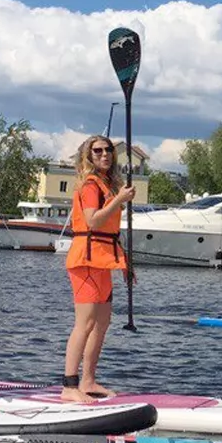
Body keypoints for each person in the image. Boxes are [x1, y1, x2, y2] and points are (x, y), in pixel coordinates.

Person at [62, 135, 136, 403]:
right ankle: (69, 386)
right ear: (88, 156)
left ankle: (88, 380)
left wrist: (125, 263)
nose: (105, 155)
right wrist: (118, 200)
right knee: (86, 322)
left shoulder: (108, 184)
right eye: (98, 151)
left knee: (102, 322)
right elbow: (92, 221)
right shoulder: (91, 185)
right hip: (86, 259)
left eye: (108, 151)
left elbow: (112, 231)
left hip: (103, 258)